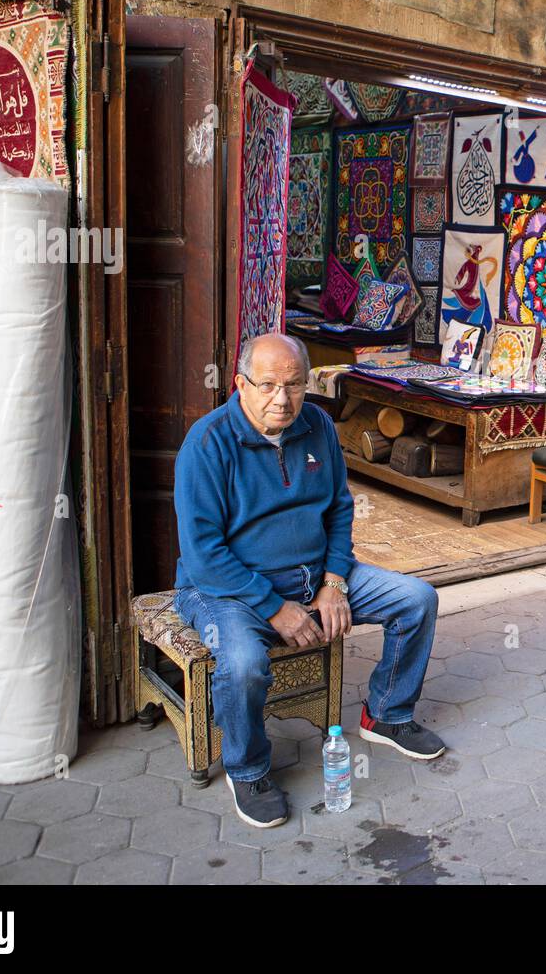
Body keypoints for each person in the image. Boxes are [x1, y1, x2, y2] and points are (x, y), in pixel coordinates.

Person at [173, 333, 444, 828]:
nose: (283, 398)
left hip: (315, 573)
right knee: (243, 661)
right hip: (228, 588)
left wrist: (335, 580)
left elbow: (340, 509)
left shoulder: (316, 424)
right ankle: (248, 766)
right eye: (269, 385)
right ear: (240, 384)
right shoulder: (208, 443)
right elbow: (203, 554)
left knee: (416, 599)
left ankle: (386, 713)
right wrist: (274, 606)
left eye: (295, 384)